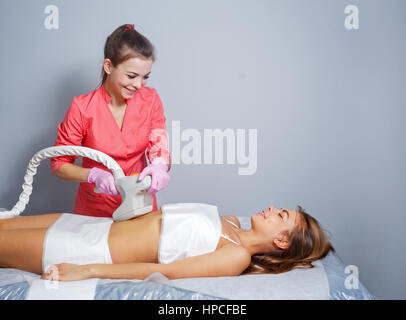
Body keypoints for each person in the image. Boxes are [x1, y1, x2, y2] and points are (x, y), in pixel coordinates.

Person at [0, 204, 334, 282]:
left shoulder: (235, 257)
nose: (273, 209)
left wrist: (86, 269)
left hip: (87, 249)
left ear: (280, 241)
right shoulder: (230, 222)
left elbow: (165, 271)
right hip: (89, 225)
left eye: (282, 216)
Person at [50, 24, 171, 218]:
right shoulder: (83, 107)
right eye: (131, 76)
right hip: (95, 210)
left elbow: (159, 144)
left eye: (145, 77)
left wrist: (159, 165)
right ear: (108, 66)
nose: (138, 85)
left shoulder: (151, 100)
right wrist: (92, 175)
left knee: (141, 249)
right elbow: (59, 164)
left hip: (140, 205)